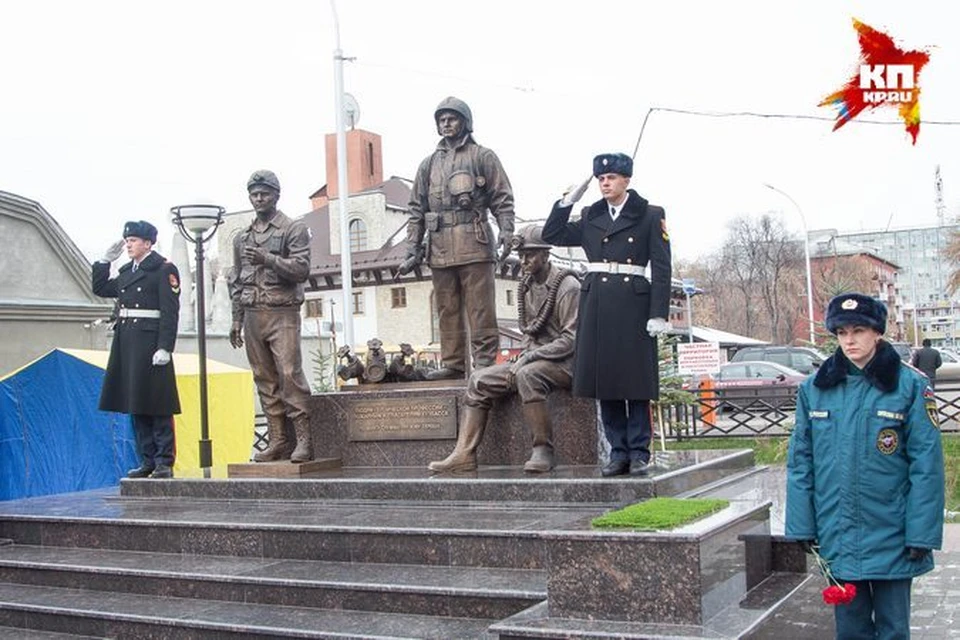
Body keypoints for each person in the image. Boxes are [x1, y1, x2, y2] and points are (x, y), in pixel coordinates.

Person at [786, 293, 945, 640]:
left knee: (893, 630)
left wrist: (921, 532)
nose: (850, 340)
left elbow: (927, 466)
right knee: (851, 630)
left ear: (877, 333)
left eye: (859, 330)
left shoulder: (911, 386)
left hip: (893, 532)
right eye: (842, 332)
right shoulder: (815, 390)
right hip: (837, 530)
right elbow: (801, 462)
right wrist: (801, 524)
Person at [542, 153, 672, 477]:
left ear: (626, 180)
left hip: (634, 304)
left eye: (611, 177)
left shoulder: (649, 215)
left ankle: (639, 452)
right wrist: (565, 203)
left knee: (635, 383)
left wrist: (659, 313)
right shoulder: (590, 216)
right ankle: (618, 452)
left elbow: (663, 266)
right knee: (607, 382)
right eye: (601, 179)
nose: (605, 183)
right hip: (598, 303)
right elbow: (552, 235)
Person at [428, 225, 580, 473]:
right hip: (534, 361)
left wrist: (530, 357)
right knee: (478, 379)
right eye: (521, 255)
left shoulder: (567, 286)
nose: (524, 261)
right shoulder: (528, 285)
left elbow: (571, 339)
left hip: (566, 364)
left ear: (546, 254)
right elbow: (531, 331)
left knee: (527, 375)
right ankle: (464, 453)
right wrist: (526, 354)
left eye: (530, 254)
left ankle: (543, 450)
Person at [398, 96, 515, 381]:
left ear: (465, 122)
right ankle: (453, 363)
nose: (446, 123)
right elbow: (416, 208)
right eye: (441, 119)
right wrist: (411, 248)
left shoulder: (482, 156)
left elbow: (502, 196)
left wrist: (507, 229)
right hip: (439, 248)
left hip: (474, 242)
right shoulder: (428, 164)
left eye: (452, 118)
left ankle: (485, 361)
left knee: (481, 308)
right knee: (446, 308)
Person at [228, 170, 314, 463]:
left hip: (283, 312)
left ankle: (304, 440)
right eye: (254, 194)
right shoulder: (242, 237)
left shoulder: (293, 228)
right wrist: (236, 320)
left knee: (290, 374)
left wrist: (268, 259)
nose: (259, 198)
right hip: (253, 315)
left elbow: (301, 270)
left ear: (276, 195)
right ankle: (278, 439)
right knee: (264, 378)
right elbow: (237, 281)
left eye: (264, 193)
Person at [93, 220, 181, 479]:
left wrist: (165, 347)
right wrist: (103, 262)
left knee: (157, 404)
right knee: (137, 403)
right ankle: (148, 460)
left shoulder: (163, 269)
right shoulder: (126, 272)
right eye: (127, 240)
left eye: (133, 240)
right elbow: (100, 288)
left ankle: (164, 461)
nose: (128, 244)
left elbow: (170, 312)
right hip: (128, 343)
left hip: (151, 344)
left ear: (147, 243)